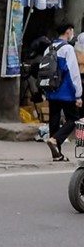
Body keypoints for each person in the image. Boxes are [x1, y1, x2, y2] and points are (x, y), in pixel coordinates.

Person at [42, 23, 83, 161]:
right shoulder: (68, 49)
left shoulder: (49, 48)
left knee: (54, 119)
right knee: (73, 118)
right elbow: (73, 72)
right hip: (66, 91)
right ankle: (56, 140)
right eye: (72, 31)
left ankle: (57, 154)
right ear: (68, 31)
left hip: (51, 90)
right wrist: (78, 93)